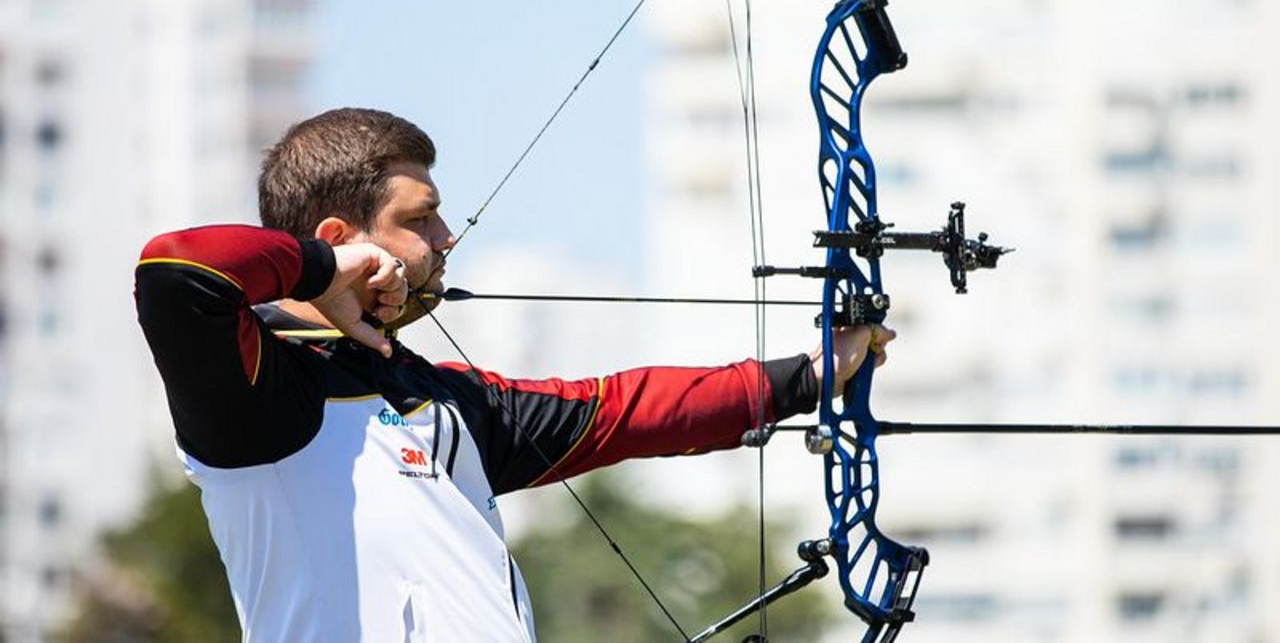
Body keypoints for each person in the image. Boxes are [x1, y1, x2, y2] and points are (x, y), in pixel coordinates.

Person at [134, 108, 894, 642]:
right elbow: (176, 267)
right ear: (341, 237)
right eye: (421, 218)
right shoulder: (259, 388)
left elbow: (625, 410)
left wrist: (815, 375)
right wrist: (324, 270)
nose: (446, 237)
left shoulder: (445, 400)